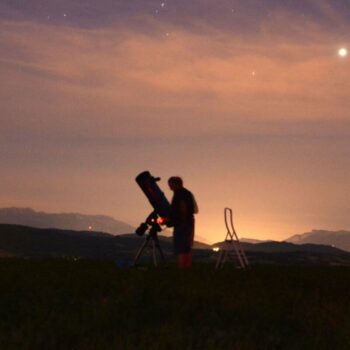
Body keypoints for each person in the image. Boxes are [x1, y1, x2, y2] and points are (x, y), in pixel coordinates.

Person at [168, 176, 198, 269]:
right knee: (186, 248)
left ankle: (182, 268)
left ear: (176, 184)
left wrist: (181, 221)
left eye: (170, 184)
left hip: (183, 224)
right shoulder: (186, 193)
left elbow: (183, 207)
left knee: (181, 248)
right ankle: (187, 268)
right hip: (188, 223)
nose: (169, 187)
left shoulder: (180, 194)